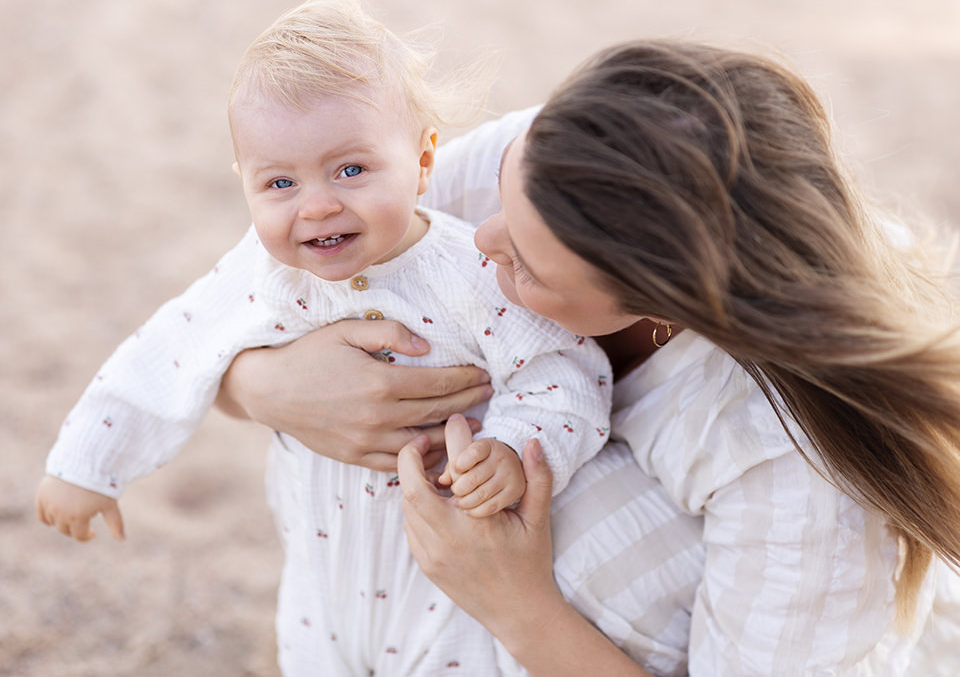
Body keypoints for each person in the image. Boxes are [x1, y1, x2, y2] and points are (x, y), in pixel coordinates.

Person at [218, 40, 960, 675]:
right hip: (380, 615)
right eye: (505, 194)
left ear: (666, 305)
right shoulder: (555, 169)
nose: (482, 236)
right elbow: (227, 304)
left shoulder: (785, 461)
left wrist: (514, 603)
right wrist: (269, 387)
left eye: (528, 269)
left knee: (588, 520)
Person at [34, 0, 612, 675]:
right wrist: (85, 464)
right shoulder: (261, 273)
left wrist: (511, 447)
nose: (317, 204)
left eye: (350, 169)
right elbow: (170, 349)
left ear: (423, 161)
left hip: (448, 586)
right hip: (319, 582)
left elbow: (567, 372)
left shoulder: (471, 274)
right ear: (244, 187)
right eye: (279, 182)